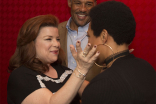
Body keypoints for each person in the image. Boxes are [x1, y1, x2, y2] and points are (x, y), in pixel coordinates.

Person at [7, 14, 100, 104]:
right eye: (48, 39)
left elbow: (97, 94)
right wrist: (81, 69)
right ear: (31, 43)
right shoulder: (20, 76)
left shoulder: (65, 72)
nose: (57, 44)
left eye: (58, 39)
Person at [81, 1, 156, 104]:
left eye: (89, 36)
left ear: (104, 36)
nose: (88, 43)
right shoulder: (147, 68)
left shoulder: (101, 85)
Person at [58, 0, 102, 81]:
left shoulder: (103, 34)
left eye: (88, 4)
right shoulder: (56, 31)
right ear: (69, 2)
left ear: (95, 5)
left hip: (91, 92)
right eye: (78, 3)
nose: (83, 9)